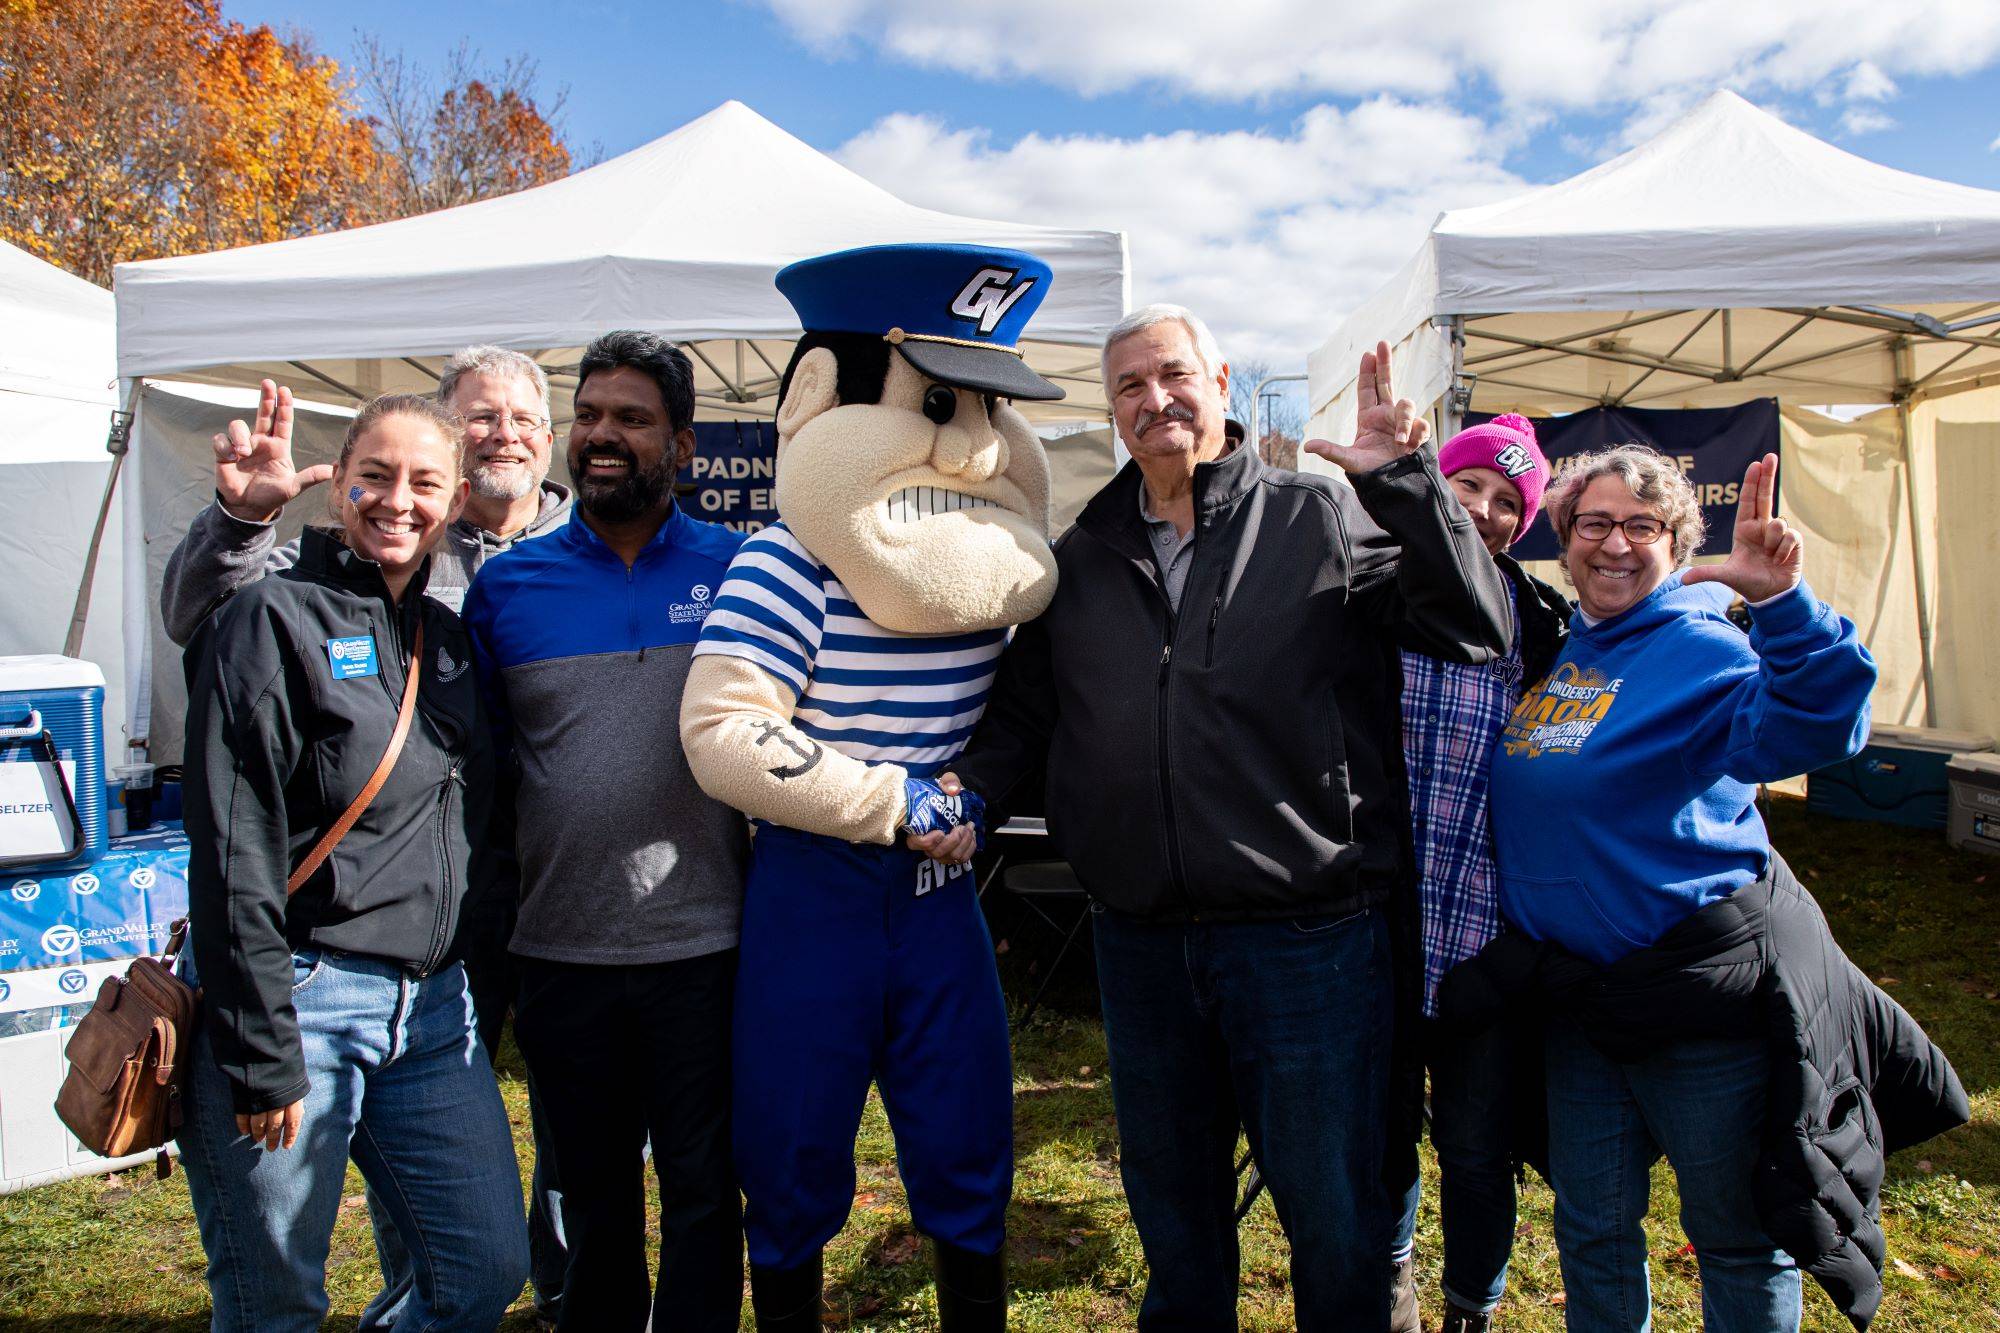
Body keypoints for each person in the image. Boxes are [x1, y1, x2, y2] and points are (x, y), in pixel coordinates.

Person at [933, 307, 1512, 1330]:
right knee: (1172, 1212)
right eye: (1127, 386)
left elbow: (1475, 623)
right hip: (1140, 942)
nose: (1152, 400)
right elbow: (1025, 715)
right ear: (1109, 412)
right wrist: (962, 790)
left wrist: (1404, 484)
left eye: (1172, 376)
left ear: (1222, 382)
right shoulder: (1086, 552)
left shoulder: (1320, 516)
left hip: (1306, 940)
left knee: (1331, 1212)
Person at [1477, 445, 1963, 1331]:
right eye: (1594, 522)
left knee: (1735, 1238)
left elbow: (1819, 724)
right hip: (1582, 1006)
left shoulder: (1701, 647)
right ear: (1564, 537)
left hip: (1693, 1005)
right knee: (1590, 1228)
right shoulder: (1564, 655)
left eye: (1642, 525)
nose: (1615, 543)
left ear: (1674, 543)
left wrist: (1781, 602)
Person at [681, 243, 1066, 1331]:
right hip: (817, 887)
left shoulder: (980, 570)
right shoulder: (788, 564)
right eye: (941, 402)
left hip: (940, 899)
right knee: (791, 1133)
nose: (977, 448)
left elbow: (1018, 704)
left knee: (965, 1120)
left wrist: (973, 793)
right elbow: (722, 729)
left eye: (990, 408)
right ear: (818, 395)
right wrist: (896, 801)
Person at [157, 344, 574, 1326]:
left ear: (456, 497)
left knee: (478, 1271)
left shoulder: (451, 639)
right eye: (374, 476)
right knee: (274, 1303)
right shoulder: (269, 618)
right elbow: (232, 846)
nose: (398, 501)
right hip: (295, 998)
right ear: (337, 484)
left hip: (430, 1013)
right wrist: (261, 1048)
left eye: (424, 482)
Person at [464, 330, 750, 1333]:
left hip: (706, 950)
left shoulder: (742, 571)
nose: (601, 436)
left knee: (707, 1194)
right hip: (561, 954)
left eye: (630, 418)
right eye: (587, 416)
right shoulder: (508, 587)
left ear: (680, 440)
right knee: (593, 1204)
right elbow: (487, 780)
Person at [1385, 414, 1570, 1333]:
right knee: (1380, 1140)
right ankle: (1392, 1292)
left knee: (1474, 1144)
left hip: (1479, 935)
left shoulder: (1538, 621)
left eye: (1510, 502)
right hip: (1370, 928)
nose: (1488, 512)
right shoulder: (1365, 589)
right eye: (1470, 488)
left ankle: (1472, 1310)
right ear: (1436, 487)